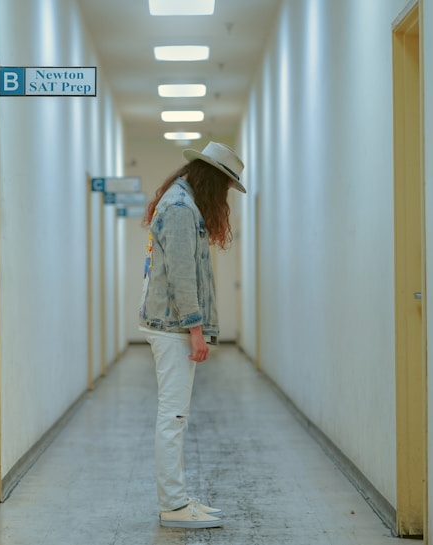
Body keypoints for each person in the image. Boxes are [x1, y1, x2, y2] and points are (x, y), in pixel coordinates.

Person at [138, 141, 246, 529]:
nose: (225, 199)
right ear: (214, 180)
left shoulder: (180, 199)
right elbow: (183, 278)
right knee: (173, 416)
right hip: (174, 327)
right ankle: (173, 507)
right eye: (226, 188)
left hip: (169, 324)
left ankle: (178, 498)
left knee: (176, 416)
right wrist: (196, 330)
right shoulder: (182, 210)